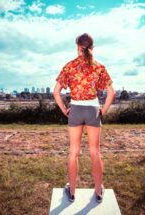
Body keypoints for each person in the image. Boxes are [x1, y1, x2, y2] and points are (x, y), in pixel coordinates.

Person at [53, 33, 115, 203]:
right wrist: (103, 110)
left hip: (76, 110)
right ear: (92, 48)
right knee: (95, 152)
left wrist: (65, 109)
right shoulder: (99, 67)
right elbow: (111, 93)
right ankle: (98, 192)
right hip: (93, 109)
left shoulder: (70, 66)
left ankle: (72, 192)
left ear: (77, 47)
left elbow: (56, 92)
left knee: (73, 152)